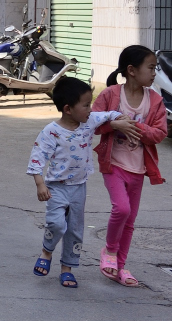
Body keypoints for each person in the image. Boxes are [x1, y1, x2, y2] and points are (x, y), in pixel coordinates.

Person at [27, 75, 138, 288]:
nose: (90, 109)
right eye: (86, 105)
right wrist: (40, 183)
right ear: (68, 109)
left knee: (75, 230)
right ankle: (46, 251)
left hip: (79, 187)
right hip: (56, 187)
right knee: (57, 224)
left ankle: (67, 268)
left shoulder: (89, 122)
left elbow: (108, 115)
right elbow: (37, 157)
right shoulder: (51, 131)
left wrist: (119, 121)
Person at [93, 45, 167, 286]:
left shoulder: (154, 100)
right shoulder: (111, 94)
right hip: (113, 164)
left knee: (131, 220)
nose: (154, 73)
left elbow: (159, 133)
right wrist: (114, 124)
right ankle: (110, 252)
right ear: (132, 70)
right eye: (151, 68)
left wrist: (134, 127)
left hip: (139, 169)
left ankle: (120, 267)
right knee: (122, 209)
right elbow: (92, 123)